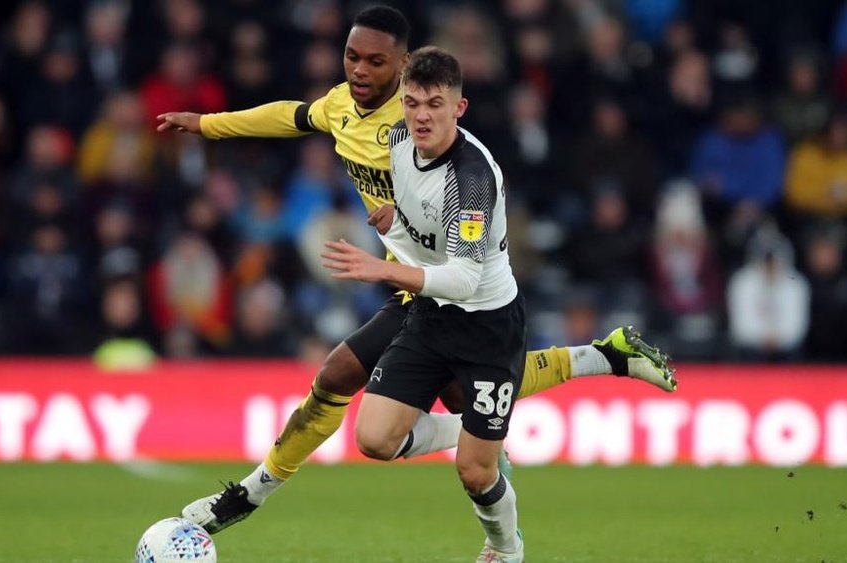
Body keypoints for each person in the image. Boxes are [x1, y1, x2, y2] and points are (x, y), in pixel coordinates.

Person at [157, 5, 676, 533]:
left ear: (403, 66)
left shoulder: (417, 125)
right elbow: (292, 117)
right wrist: (208, 125)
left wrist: (417, 228)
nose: (359, 70)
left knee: (380, 381)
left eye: (376, 62)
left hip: (439, 278)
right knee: (443, 391)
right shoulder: (342, 106)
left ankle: (250, 494)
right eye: (351, 57)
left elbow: (467, 187)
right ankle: (598, 360)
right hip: (407, 274)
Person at [323, 46, 525, 562]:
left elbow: (462, 278)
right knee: (373, 439)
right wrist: (399, 215)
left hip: (487, 325)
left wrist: (382, 268)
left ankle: (506, 548)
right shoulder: (397, 141)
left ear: (459, 107)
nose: (421, 116)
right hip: (431, 317)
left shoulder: (474, 179)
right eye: (412, 102)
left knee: (475, 473)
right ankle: (476, 429)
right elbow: (420, 202)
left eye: (435, 104)